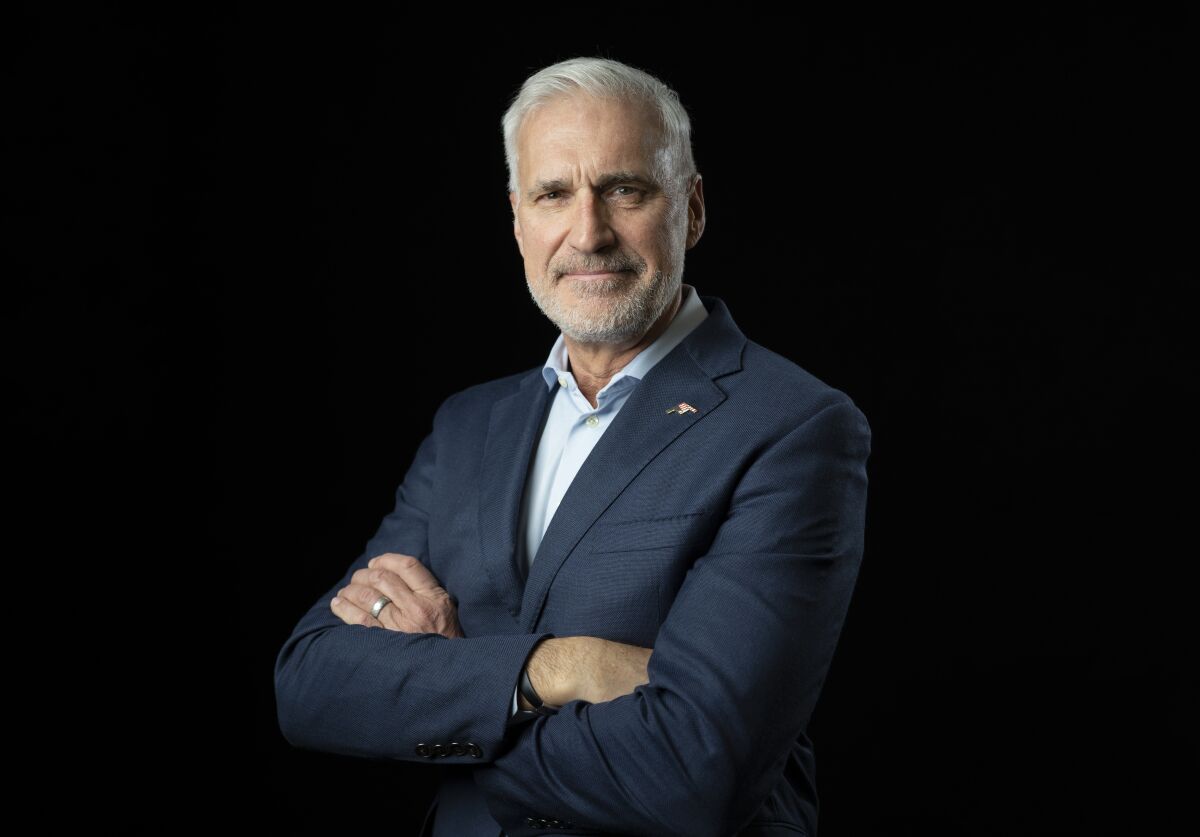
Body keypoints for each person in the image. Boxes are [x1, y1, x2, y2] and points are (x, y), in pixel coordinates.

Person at [274, 56, 871, 837]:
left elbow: (697, 770)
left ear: (690, 210)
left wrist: (448, 684)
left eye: (625, 189)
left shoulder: (793, 426)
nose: (587, 233)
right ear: (518, 219)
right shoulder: (467, 426)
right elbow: (312, 684)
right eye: (554, 194)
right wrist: (554, 669)